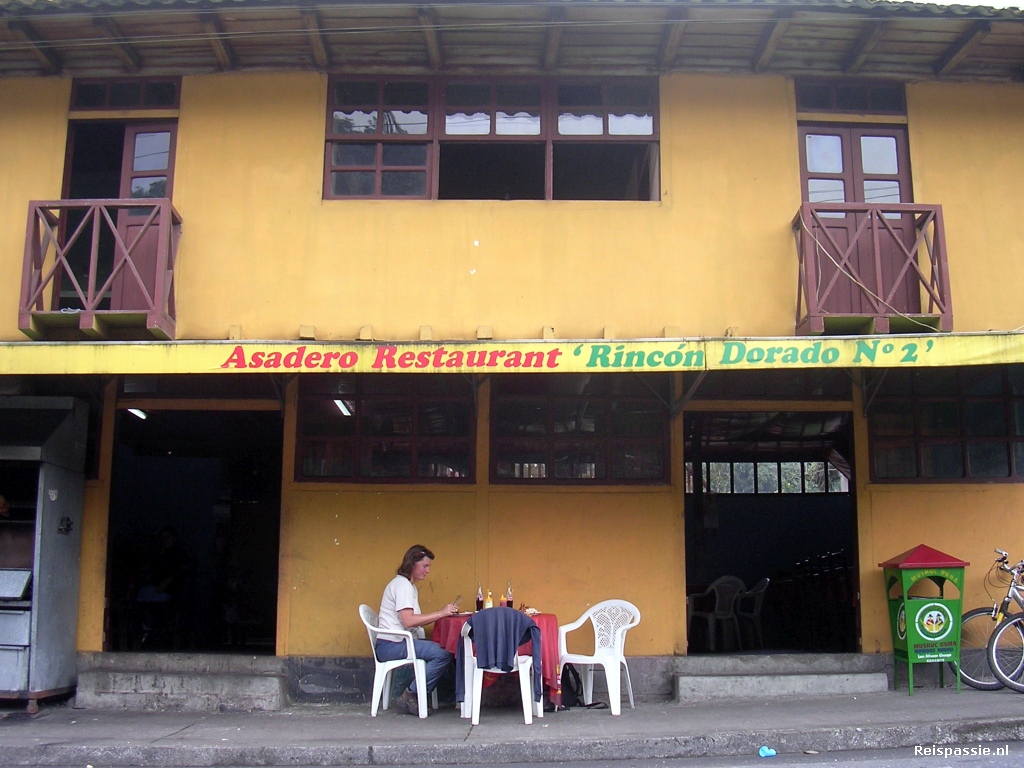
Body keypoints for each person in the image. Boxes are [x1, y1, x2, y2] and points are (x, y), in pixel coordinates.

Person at [376, 544, 458, 715]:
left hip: (395, 643)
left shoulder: (408, 586)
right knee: (443, 654)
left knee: (442, 650)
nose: (427, 571)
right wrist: (440, 613)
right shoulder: (402, 586)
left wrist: (441, 614)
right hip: (391, 645)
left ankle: (415, 693)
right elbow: (408, 621)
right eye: (425, 566)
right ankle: (410, 693)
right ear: (412, 563)